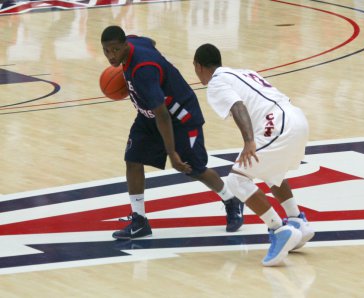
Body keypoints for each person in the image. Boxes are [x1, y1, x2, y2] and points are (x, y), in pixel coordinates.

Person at [100, 26, 244, 240]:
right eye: (106, 51)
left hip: (180, 117)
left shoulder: (143, 71)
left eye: (115, 50)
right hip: (149, 114)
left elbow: (163, 116)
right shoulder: (134, 42)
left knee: (193, 168)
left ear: (124, 45)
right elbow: (151, 41)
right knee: (132, 159)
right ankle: (139, 221)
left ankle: (231, 200)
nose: (111, 56)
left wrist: (172, 153)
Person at [193, 43, 315, 267]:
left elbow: (237, 105)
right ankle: (298, 221)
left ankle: (278, 230)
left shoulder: (217, 83)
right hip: (297, 118)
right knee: (270, 170)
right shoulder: (243, 73)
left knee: (237, 180)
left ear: (198, 66)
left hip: (278, 124)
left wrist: (249, 140)